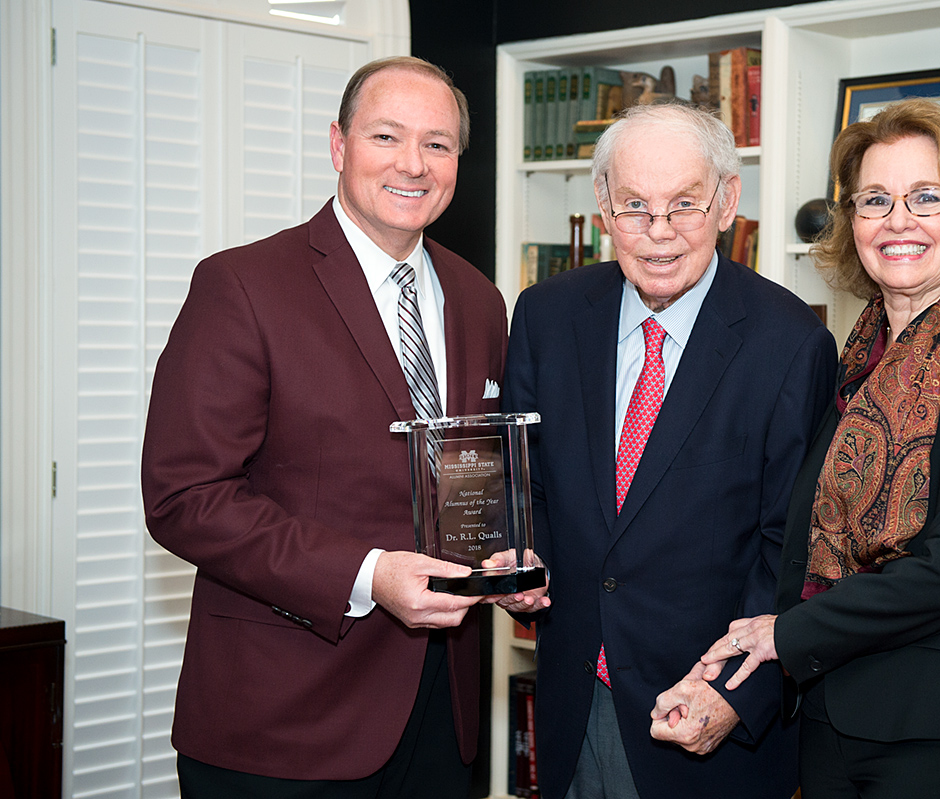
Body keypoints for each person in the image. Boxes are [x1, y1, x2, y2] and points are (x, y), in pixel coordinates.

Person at [141, 56, 539, 797]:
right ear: (338, 146)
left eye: (438, 144)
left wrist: (505, 557)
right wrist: (367, 575)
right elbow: (183, 496)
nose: (412, 165)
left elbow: (467, 473)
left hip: (440, 713)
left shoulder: (479, 298)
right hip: (284, 722)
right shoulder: (243, 286)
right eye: (386, 136)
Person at [676, 97, 940, 798]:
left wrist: (784, 633)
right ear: (852, 222)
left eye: (926, 197)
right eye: (875, 199)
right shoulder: (855, 364)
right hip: (831, 719)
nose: (898, 220)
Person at [501, 101, 837, 799]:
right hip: (570, 697)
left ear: (727, 202)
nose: (659, 234)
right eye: (634, 206)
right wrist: (517, 555)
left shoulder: (791, 343)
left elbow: (790, 548)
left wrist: (732, 694)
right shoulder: (545, 313)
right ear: (602, 206)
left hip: (705, 714)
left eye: (684, 204)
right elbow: (523, 484)